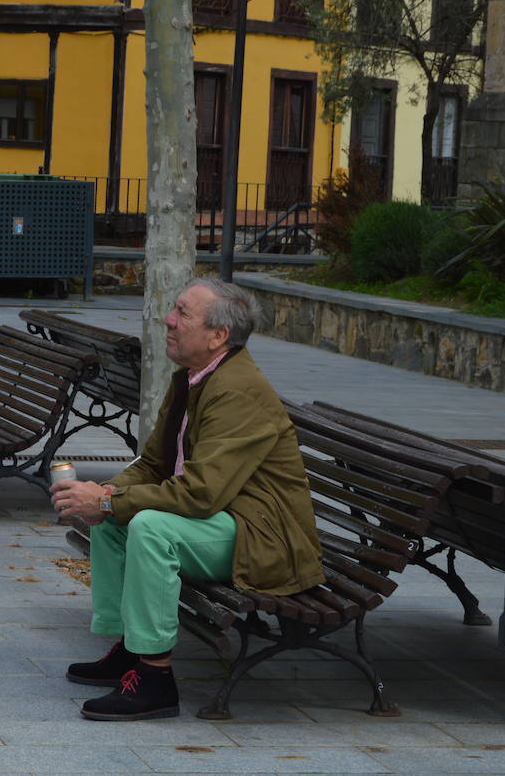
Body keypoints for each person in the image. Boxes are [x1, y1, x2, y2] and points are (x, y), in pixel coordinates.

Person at [49, 278, 323, 722]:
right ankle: (130, 650)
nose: (168, 320)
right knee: (116, 517)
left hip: (263, 535)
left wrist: (106, 502)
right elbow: (154, 463)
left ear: (218, 336)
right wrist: (106, 494)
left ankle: (155, 680)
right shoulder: (193, 379)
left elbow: (200, 493)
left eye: (182, 313)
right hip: (225, 517)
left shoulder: (237, 390)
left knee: (149, 527)